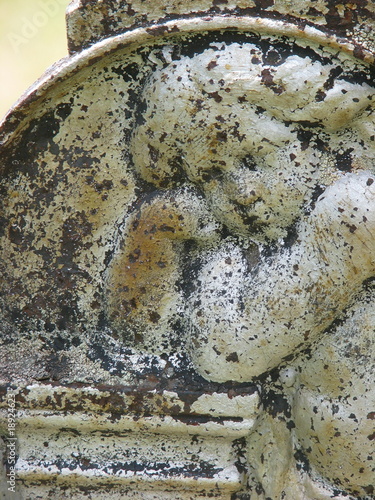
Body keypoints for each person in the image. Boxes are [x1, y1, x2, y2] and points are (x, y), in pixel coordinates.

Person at [107, 40, 375, 497]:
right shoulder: (285, 233)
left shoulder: (353, 210)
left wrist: (220, 250)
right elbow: (144, 336)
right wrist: (150, 237)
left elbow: (227, 353)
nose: (240, 190)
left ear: (308, 132)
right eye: (210, 177)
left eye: (253, 159)